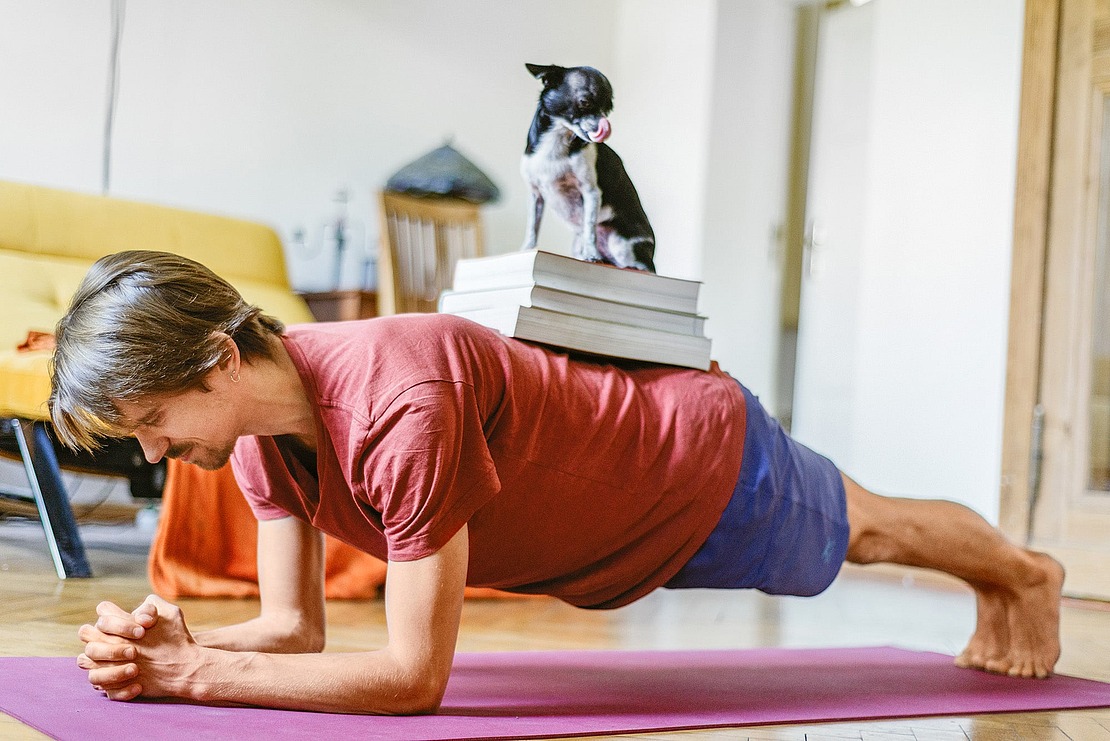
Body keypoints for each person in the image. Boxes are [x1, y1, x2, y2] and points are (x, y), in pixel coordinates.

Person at [56, 251, 1063, 715]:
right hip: (607, 529)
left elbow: (414, 680)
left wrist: (195, 677)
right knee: (865, 527)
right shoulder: (254, 443)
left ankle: (1023, 574)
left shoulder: (400, 403)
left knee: (870, 532)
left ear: (222, 361)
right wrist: (188, 643)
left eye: (151, 423)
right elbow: (296, 631)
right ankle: (1012, 574)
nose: (149, 454)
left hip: (690, 471)